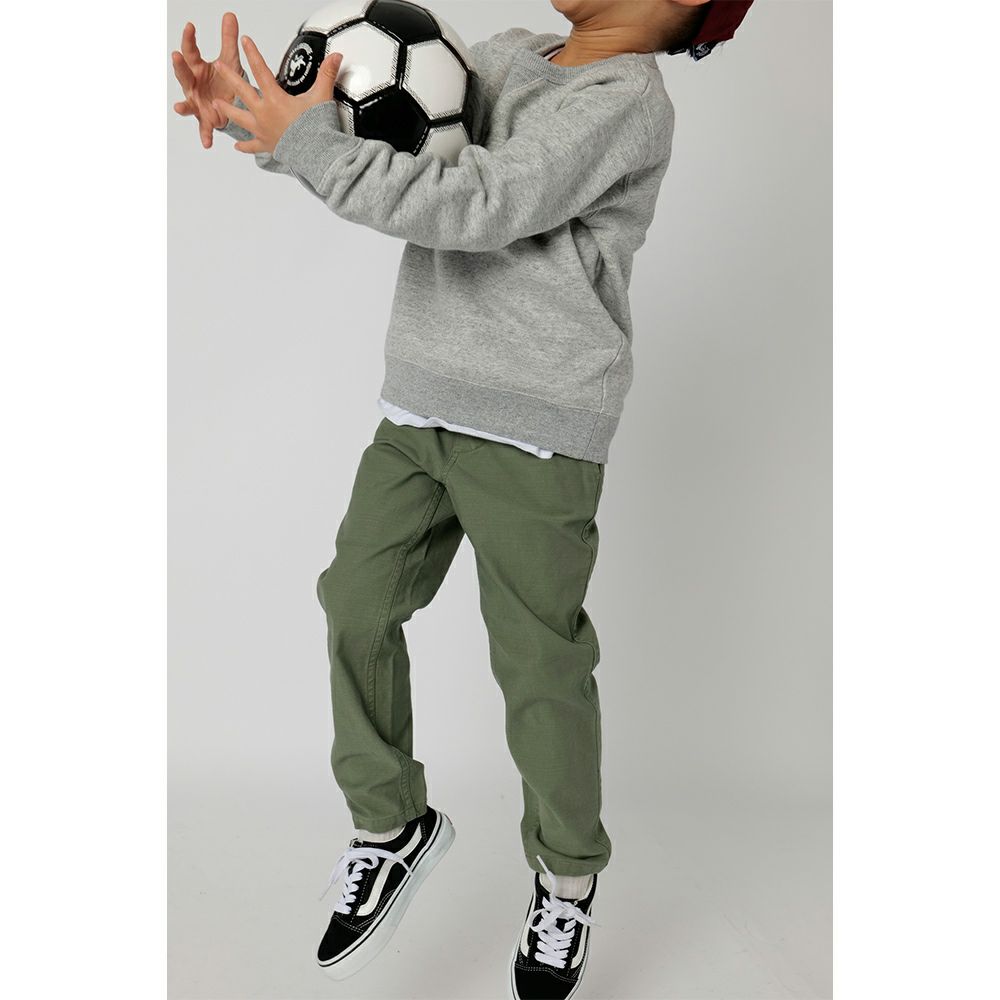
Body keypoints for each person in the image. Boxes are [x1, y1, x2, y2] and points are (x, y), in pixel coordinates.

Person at [171, 1, 754, 996]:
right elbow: (385, 142)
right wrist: (258, 118)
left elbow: (481, 201)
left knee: (540, 667)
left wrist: (308, 145)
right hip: (422, 402)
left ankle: (566, 878)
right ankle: (391, 820)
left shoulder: (625, 103)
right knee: (355, 601)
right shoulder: (503, 57)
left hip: (536, 429)